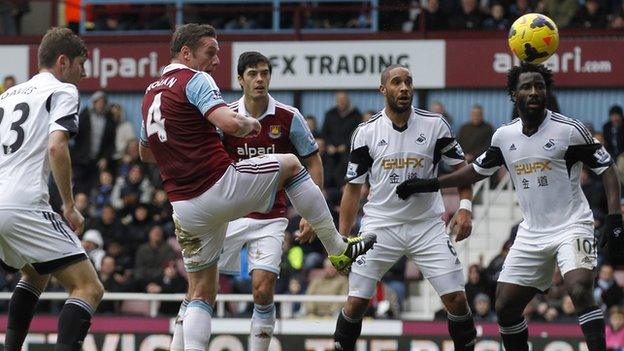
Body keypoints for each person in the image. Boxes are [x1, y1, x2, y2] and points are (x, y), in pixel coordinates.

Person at [138, 24, 375, 351]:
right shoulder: (196, 80)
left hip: (185, 207)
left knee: (202, 292)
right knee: (290, 163)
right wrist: (247, 124)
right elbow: (231, 123)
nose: (217, 61)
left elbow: (145, 152)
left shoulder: (151, 92)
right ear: (187, 53)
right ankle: (337, 247)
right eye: (211, 52)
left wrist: (182, 152)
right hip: (222, 190)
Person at [395, 62, 623, 351]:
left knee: (578, 288)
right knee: (504, 306)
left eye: (539, 86)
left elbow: (607, 168)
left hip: (572, 226)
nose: (534, 91)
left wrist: (614, 218)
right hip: (532, 232)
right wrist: (431, 183)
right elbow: (476, 171)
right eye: (526, 87)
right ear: (514, 94)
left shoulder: (569, 130)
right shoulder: (504, 136)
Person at [333, 64, 476, 351]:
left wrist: (464, 207)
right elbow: (352, 189)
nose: (404, 88)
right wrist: (341, 241)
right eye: (396, 82)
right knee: (357, 302)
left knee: (457, 300)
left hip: (427, 225)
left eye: (408, 82)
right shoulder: (366, 133)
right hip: (380, 226)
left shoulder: (436, 125)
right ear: (383, 89)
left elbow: (463, 171)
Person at [214, 51, 329, 350]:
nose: (260, 79)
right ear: (240, 79)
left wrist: (312, 213)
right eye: (252, 73)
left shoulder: (288, 117)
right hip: (228, 214)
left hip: (271, 215)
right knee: (200, 288)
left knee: (263, 290)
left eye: (264, 73)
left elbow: (313, 161)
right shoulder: (226, 117)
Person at [0, 27, 104, 351]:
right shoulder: (62, 91)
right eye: (81, 64)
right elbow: (57, 147)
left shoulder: (7, 96)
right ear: (63, 62)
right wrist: (70, 205)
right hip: (23, 203)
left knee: (35, 272)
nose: (84, 74)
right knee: (89, 287)